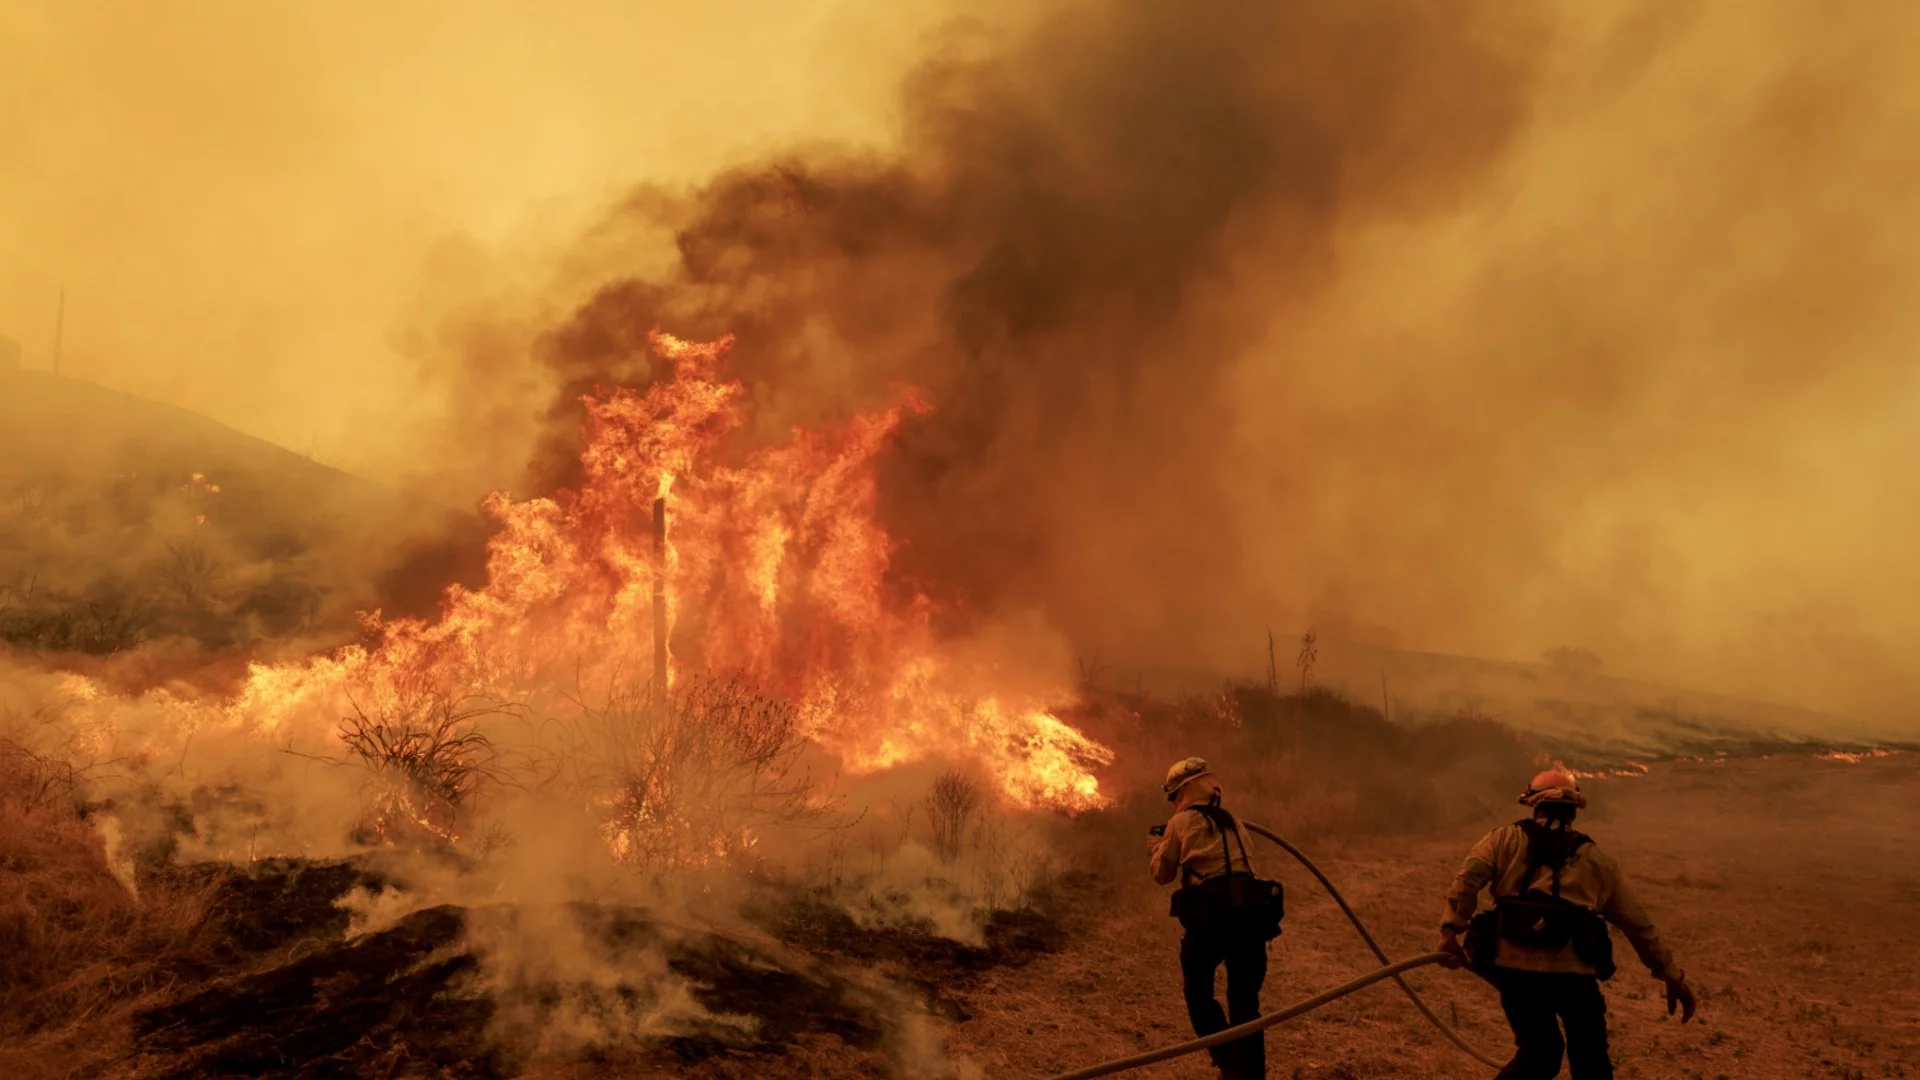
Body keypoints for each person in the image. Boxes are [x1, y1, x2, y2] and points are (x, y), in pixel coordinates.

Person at [1437, 767, 1697, 1080]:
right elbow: (1638, 925)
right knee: (1591, 1062)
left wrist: (1450, 931)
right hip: (1572, 976)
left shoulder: (1502, 840)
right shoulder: (1597, 861)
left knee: (1540, 1054)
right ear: (1574, 811)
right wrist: (1671, 976)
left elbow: (1466, 881)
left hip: (1515, 970)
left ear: (1534, 804)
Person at [1149, 757, 1274, 1080]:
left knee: (1198, 994)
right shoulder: (1235, 821)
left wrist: (1156, 847)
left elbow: (1162, 874)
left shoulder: (1180, 823)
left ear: (1184, 792)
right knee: (1245, 1004)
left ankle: (1230, 1064)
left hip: (1213, 919)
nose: (1174, 803)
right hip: (1250, 916)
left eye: (1175, 796)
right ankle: (1250, 1076)